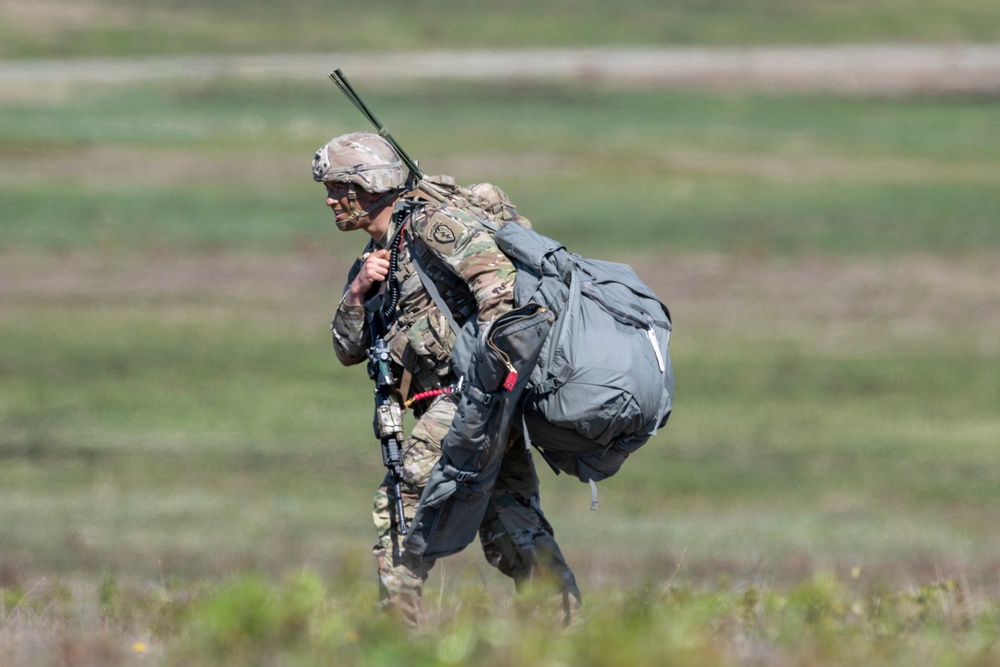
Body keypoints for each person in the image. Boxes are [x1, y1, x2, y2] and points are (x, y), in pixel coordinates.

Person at [314, 131, 580, 627]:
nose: (330, 200)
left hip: (470, 398)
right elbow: (346, 349)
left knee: (401, 506)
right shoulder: (376, 261)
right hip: (471, 404)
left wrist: (485, 384)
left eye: (338, 188)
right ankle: (567, 636)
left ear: (367, 186)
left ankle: (397, 639)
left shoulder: (432, 227)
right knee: (512, 525)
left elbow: (501, 293)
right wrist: (357, 293)